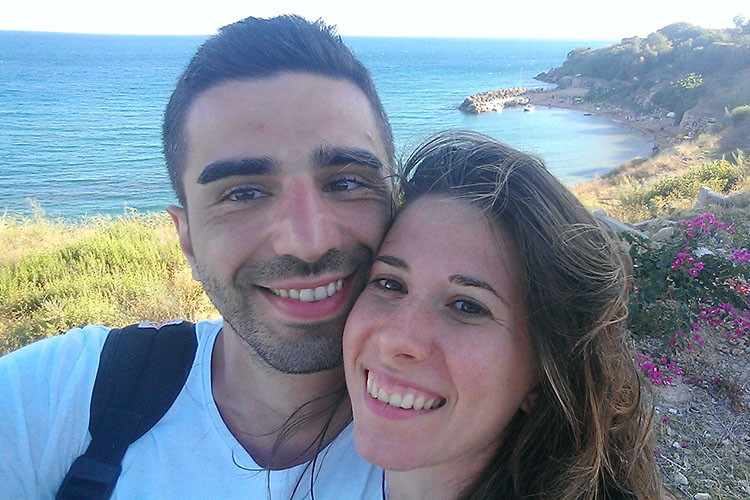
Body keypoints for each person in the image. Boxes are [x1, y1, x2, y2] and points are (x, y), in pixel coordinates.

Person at [0, 15, 395, 499]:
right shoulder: (64, 394)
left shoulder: (466, 442)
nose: (306, 242)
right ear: (186, 239)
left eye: (347, 182)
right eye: (244, 193)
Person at [343, 130, 663, 500]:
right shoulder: (314, 460)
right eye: (389, 283)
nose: (395, 338)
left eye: (467, 306)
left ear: (543, 375)